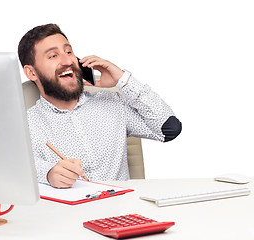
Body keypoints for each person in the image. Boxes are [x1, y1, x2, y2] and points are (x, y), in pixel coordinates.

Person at [18, 23, 182, 188]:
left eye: (69, 52)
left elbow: (169, 128)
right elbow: (16, 170)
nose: (68, 60)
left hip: (121, 209)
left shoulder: (113, 102)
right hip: (70, 213)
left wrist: (123, 80)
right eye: (53, 56)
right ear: (31, 72)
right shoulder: (26, 125)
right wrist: (48, 174)